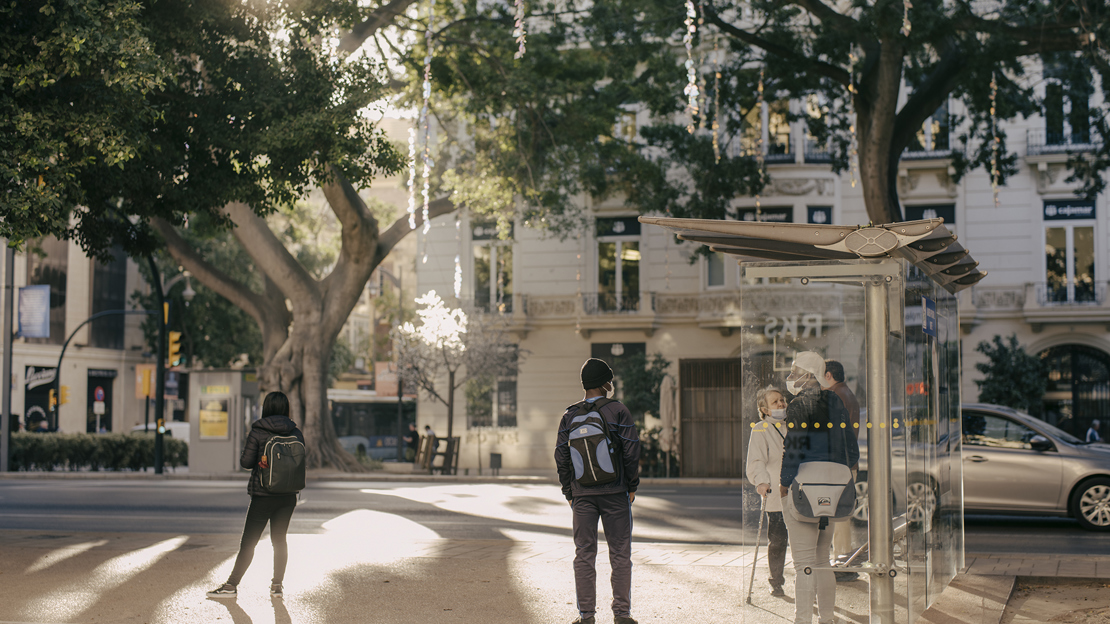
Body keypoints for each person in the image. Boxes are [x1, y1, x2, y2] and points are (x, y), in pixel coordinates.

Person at [555, 358, 641, 624]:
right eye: (610, 380)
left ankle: (587, 616)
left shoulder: (570, 415)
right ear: (605, 383)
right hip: (615, 493)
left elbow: (561, 457)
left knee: (584, 554)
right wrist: (631, 486)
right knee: (620, 553)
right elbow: (631, 451)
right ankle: (622, 615)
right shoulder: (618, 411)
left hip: (582, 496)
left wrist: (569, 492)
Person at [779, 352, 859, 624]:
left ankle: (803, 621)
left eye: (794, 371)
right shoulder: (835, 400)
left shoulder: (799, 404)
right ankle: (827, 619)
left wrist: (783, 482)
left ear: (807, 374)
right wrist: (849, 470)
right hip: (834, 488)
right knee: (823, 560)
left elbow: (794, 448)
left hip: (805, 488)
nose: (790, 377)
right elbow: (851, 442)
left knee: (804, 564)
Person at [208, 392, 305, 599]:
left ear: (266, 407)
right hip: (288, 495)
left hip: (263, 494)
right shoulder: (296, 431)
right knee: (280, 540)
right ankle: (277, 586)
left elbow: (245, 462)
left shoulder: (259, 430)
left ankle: (231, 586)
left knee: (249, 542)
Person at [745, 385, 790, 597]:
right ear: (764, 409)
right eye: (775, 402)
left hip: (798, 491)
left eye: (782, 400)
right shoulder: (761, 428)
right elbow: (756, 459)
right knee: (778, 539)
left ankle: (807, 580)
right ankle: (776, 581)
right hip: (776, 492)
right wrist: (761, 481)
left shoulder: (793, 426)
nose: (781, 404)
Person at [822, 360, 861, 582]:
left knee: (838, 518)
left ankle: (841, 564)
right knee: (841, 517)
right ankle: (843, 562)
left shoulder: (836, 397)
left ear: (828, 375)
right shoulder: (846, 393)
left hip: (838, 465)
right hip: (845, 464)